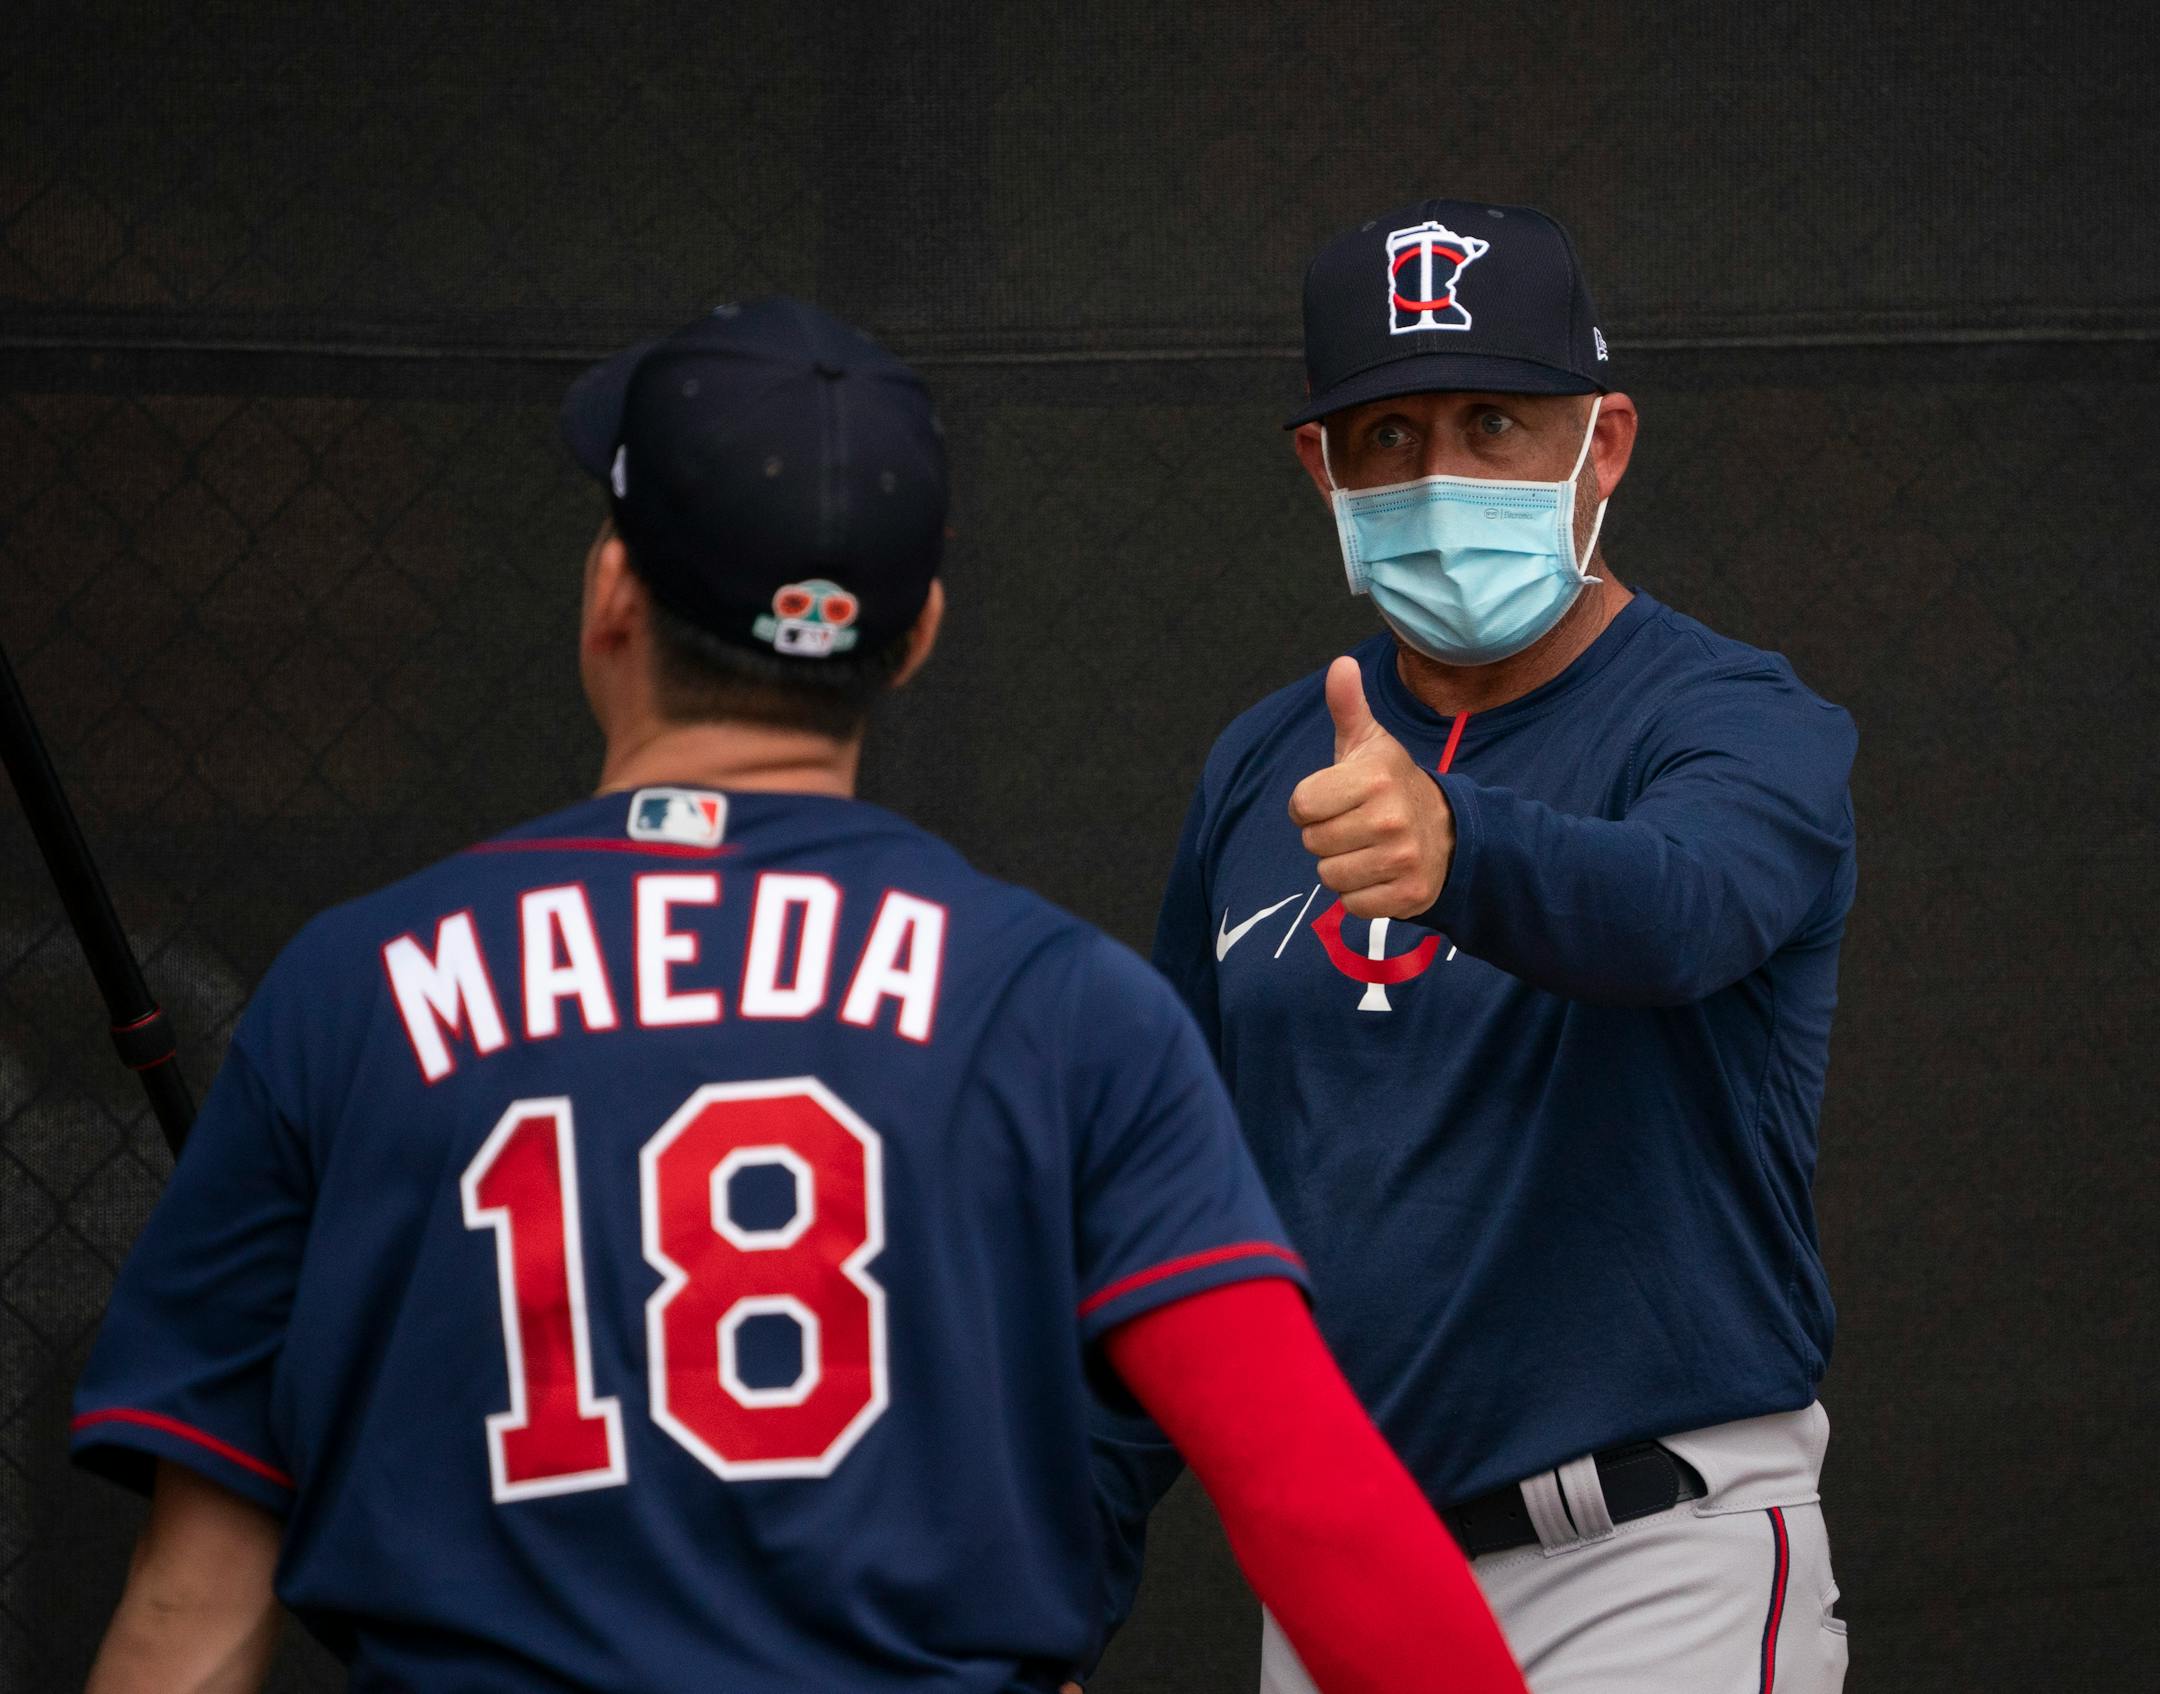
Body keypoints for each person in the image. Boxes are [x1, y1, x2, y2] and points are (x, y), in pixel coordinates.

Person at [70, 299, 1528, 1694]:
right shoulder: (1059, 1008)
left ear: (610, 596)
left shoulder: (355, 991)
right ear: (918, 634)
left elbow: (193, 1611)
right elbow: (1321, 1512)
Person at [1093, 202, 1858, 1693]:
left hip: (1652, 1555)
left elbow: (1683, 910)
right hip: (1349, 1581)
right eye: (1388, 435)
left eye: (1494, 421)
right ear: (1323, 468)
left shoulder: (1738, 720)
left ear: (1605, 443)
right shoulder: (1263, 767)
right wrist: (1047, 1592)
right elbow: (1174, 1202)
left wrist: (1458, 851)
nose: (1439, 474)